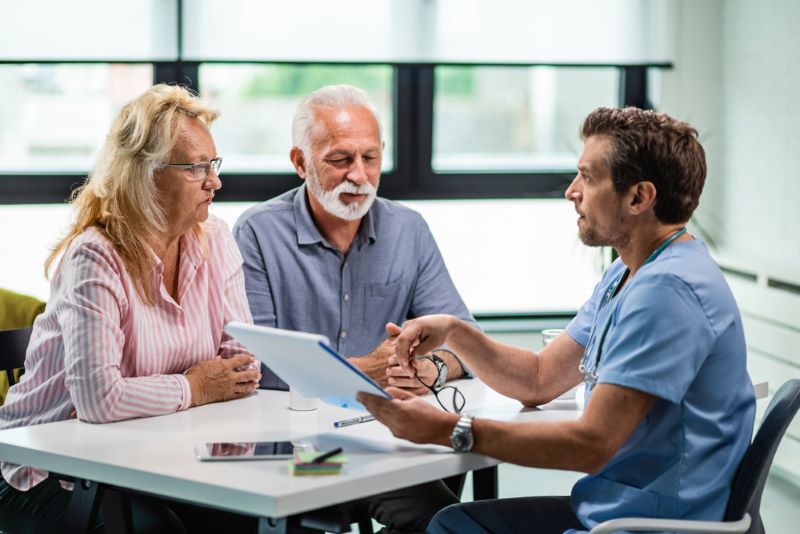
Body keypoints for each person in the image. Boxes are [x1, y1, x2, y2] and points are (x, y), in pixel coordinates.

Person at [358, 107, 756, 533]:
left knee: (450, 528)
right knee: (453, 521)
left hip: (648, 524)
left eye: (587, 177)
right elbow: (540, 377)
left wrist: (450, 430)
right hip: (614, 506)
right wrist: (455, 332)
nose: (572, 191)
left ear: (639, 197)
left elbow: (591, 445)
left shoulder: (668, 292)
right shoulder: (628, 272)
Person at [0, 84, 261, 532]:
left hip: (150, 452)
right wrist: (195, 386)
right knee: (160, 530)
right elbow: (100, 399)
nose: (214, 181)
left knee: (244, 514)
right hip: (43, 468)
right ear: (146, 173)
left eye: (213, 164)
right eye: (196, 167)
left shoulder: (216, 237)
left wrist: (155, 393)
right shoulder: (95, 255)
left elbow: (242, 365)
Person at [233, 84, 474, 532]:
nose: (359, 175)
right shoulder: (258, 233)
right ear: (300, 162)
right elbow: (256, 370)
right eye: (341, 160)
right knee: (436, 513)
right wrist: (365, 371)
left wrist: (431, 369)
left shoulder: (409, 229)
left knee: (451, 499)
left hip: (383, 437)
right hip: (297, 448)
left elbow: (462, 338)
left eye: (370, 158)